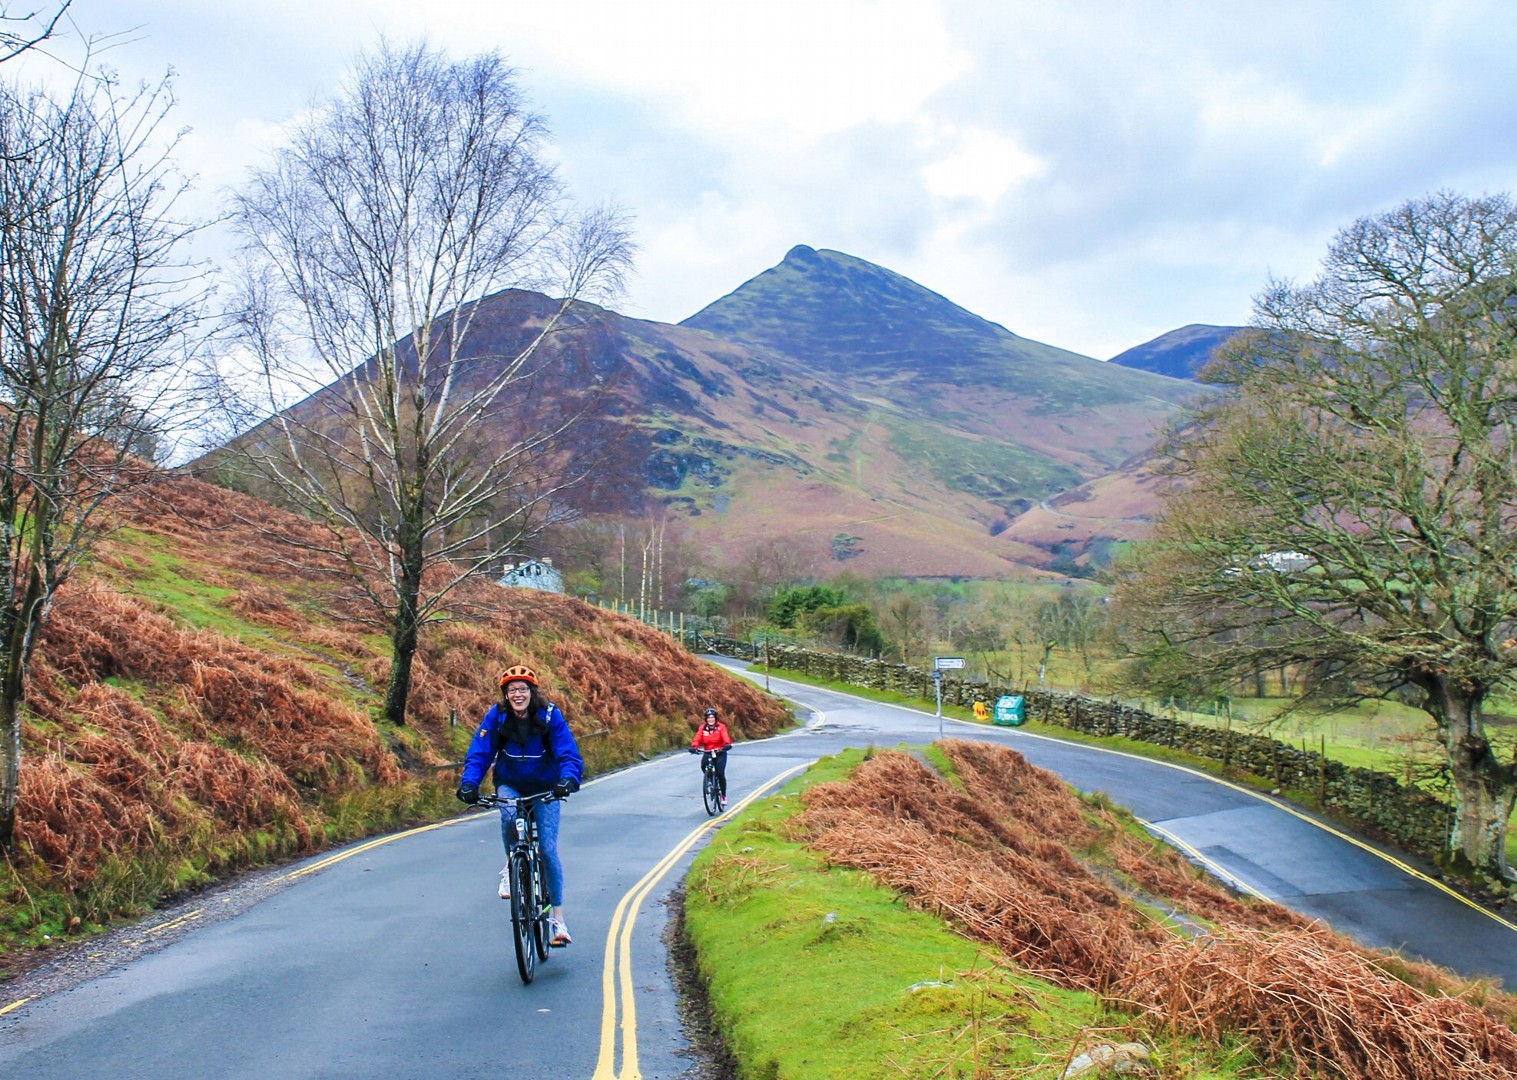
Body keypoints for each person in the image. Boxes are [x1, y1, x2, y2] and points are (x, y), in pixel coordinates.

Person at [457, 664, 583, 946]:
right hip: (510, 781)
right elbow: (480, 752)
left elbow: (567, 752)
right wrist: (469, 784)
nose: (517, 694)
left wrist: (568, 780)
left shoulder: (550, 715)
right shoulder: (497, 716)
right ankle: (511, 863)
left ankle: (558, 921)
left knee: (548, 850)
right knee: (508, 815)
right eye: (512, 690)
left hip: (545, 787)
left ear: (532, 692)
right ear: (506, 694)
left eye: (522, 689)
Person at [689, 705, 733, 807]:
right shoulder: (702, 728)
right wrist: (694, 747)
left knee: (720, 773)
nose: (711, 719)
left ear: (715, 718)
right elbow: (697, 738)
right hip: (708, 751)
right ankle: (710, 779)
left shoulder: (721, 727)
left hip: (720, 752)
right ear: (706, 719)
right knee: (703, 766)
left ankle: (723, 795)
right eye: (708, 718)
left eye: (712, 717)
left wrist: (727, 744)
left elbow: (726, 737)